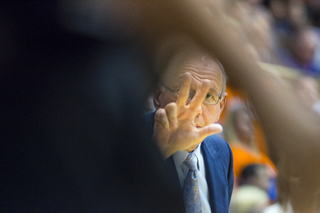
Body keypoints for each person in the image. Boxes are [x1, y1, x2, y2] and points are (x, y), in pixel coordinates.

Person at [144, 39, 233, 212]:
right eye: (184, 92)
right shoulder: (125, 136)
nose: (196, 109)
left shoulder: (222, 152)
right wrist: (160, 150)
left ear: (221, 107)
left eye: (208, 97)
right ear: (158, 96)